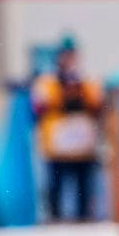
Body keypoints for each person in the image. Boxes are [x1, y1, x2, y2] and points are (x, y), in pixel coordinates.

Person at [30, 36, 104, 222]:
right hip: (58, 146)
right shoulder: (47, 82)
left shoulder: (87, 81)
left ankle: (84, 219)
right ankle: (54, 218)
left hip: (82, 146)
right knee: (56, 186)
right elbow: (38, 107)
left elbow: (97, 105)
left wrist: (77, 89)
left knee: (83, 186)